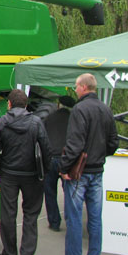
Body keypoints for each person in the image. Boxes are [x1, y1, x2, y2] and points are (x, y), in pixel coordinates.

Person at [56, 73, 119, 255]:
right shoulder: (106, 110)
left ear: (83, 87)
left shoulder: (79, 109)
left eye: (76, 86)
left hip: (79, 173)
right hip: (97, 170)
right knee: (95, 218)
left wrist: (64, 168)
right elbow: (113, 142)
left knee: (74, 218)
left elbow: (74, 144)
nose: (75, 89)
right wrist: (100, 155)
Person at [0, 89, 51, 255]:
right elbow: (46, 148)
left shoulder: (1, 123)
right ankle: (27, 252)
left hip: (9, 173)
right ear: (26, 105)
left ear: (9, 104)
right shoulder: (36, 123)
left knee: (8, 213)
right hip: (32, 174)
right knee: (31, 213)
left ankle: (9, 253)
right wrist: (44, 171)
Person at [43, 95, 76, 232]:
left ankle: (54, 222)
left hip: (50, 158)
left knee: (50, 192)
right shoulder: (74, 120)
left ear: (58, 104)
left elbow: (42, 137)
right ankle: (71, 221)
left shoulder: (48, 118)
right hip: (66, 159)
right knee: (69, 192)